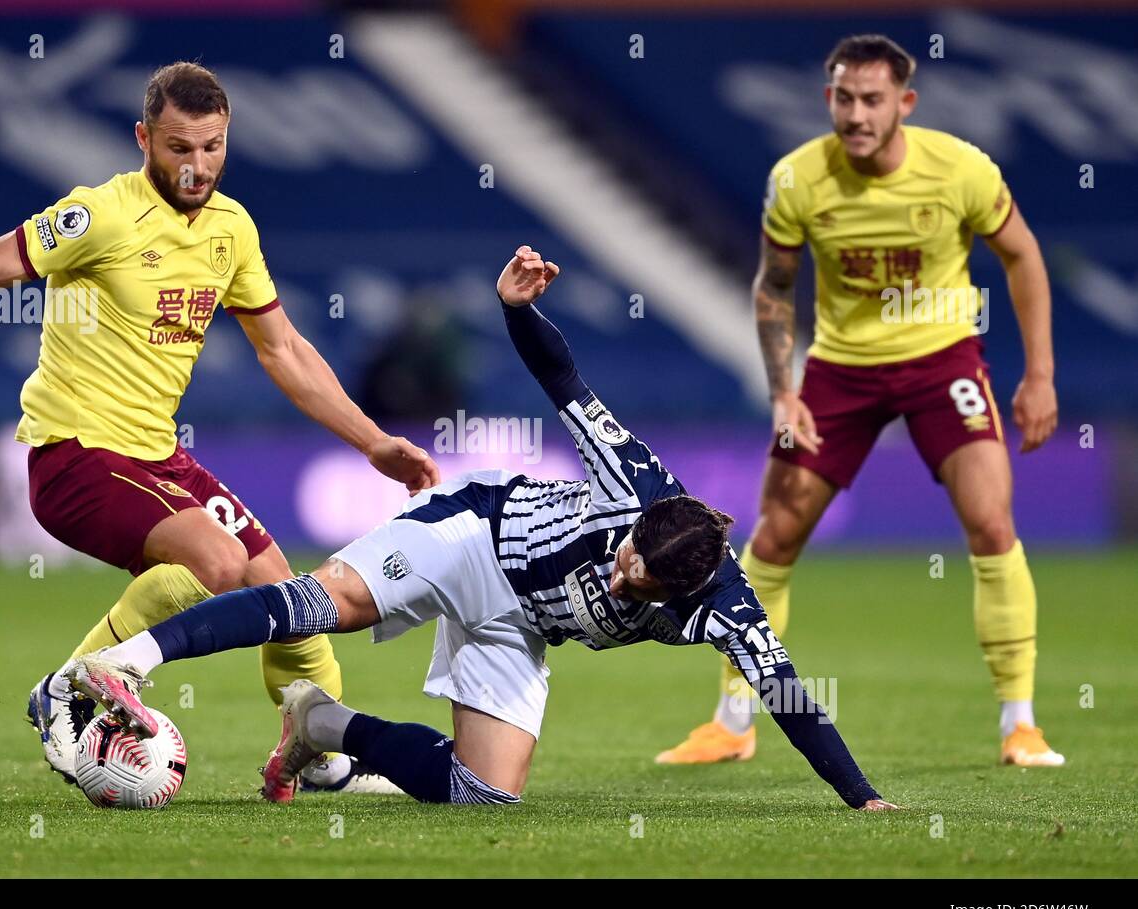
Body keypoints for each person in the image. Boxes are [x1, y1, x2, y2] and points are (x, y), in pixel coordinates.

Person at [64, 245, 898, 811]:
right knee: (324, 605)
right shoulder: (637, 481)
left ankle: (320, 724)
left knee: (484, 796)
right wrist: (515, 311)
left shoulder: (727, 609)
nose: (621, 576)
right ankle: (126, 662)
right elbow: (563, 378)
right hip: (474, 534)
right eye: (628, 557)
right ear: (640, 527)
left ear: (683, 594)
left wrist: (862, 797)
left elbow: (791, 698)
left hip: (520, 622)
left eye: (640, 586)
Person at [0, 61, 438, 793]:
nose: (197, 167)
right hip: (75, 457)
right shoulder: (100, 215)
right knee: (215, 563)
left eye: (213, 147)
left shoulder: (232, 229)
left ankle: (316, 750)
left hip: (158, 458)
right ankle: (65, 688)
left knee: (286, 592)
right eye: (180, 148)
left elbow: (282, 350)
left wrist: (374, 442)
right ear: (143, 139)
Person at [656, 35, 1063, 769]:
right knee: (774, 535)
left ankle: (1020, 724)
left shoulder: (961, 169)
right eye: (843, 97)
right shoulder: (798, 179)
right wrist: (784, 391)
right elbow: (775, 285)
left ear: (904, 104)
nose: (856, 113)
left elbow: (1023, 253)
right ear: (827, 100)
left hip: (943, 360)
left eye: (872, 99)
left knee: (992, 521)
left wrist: (1039, 374)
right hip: (840, 370)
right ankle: (732, 721)